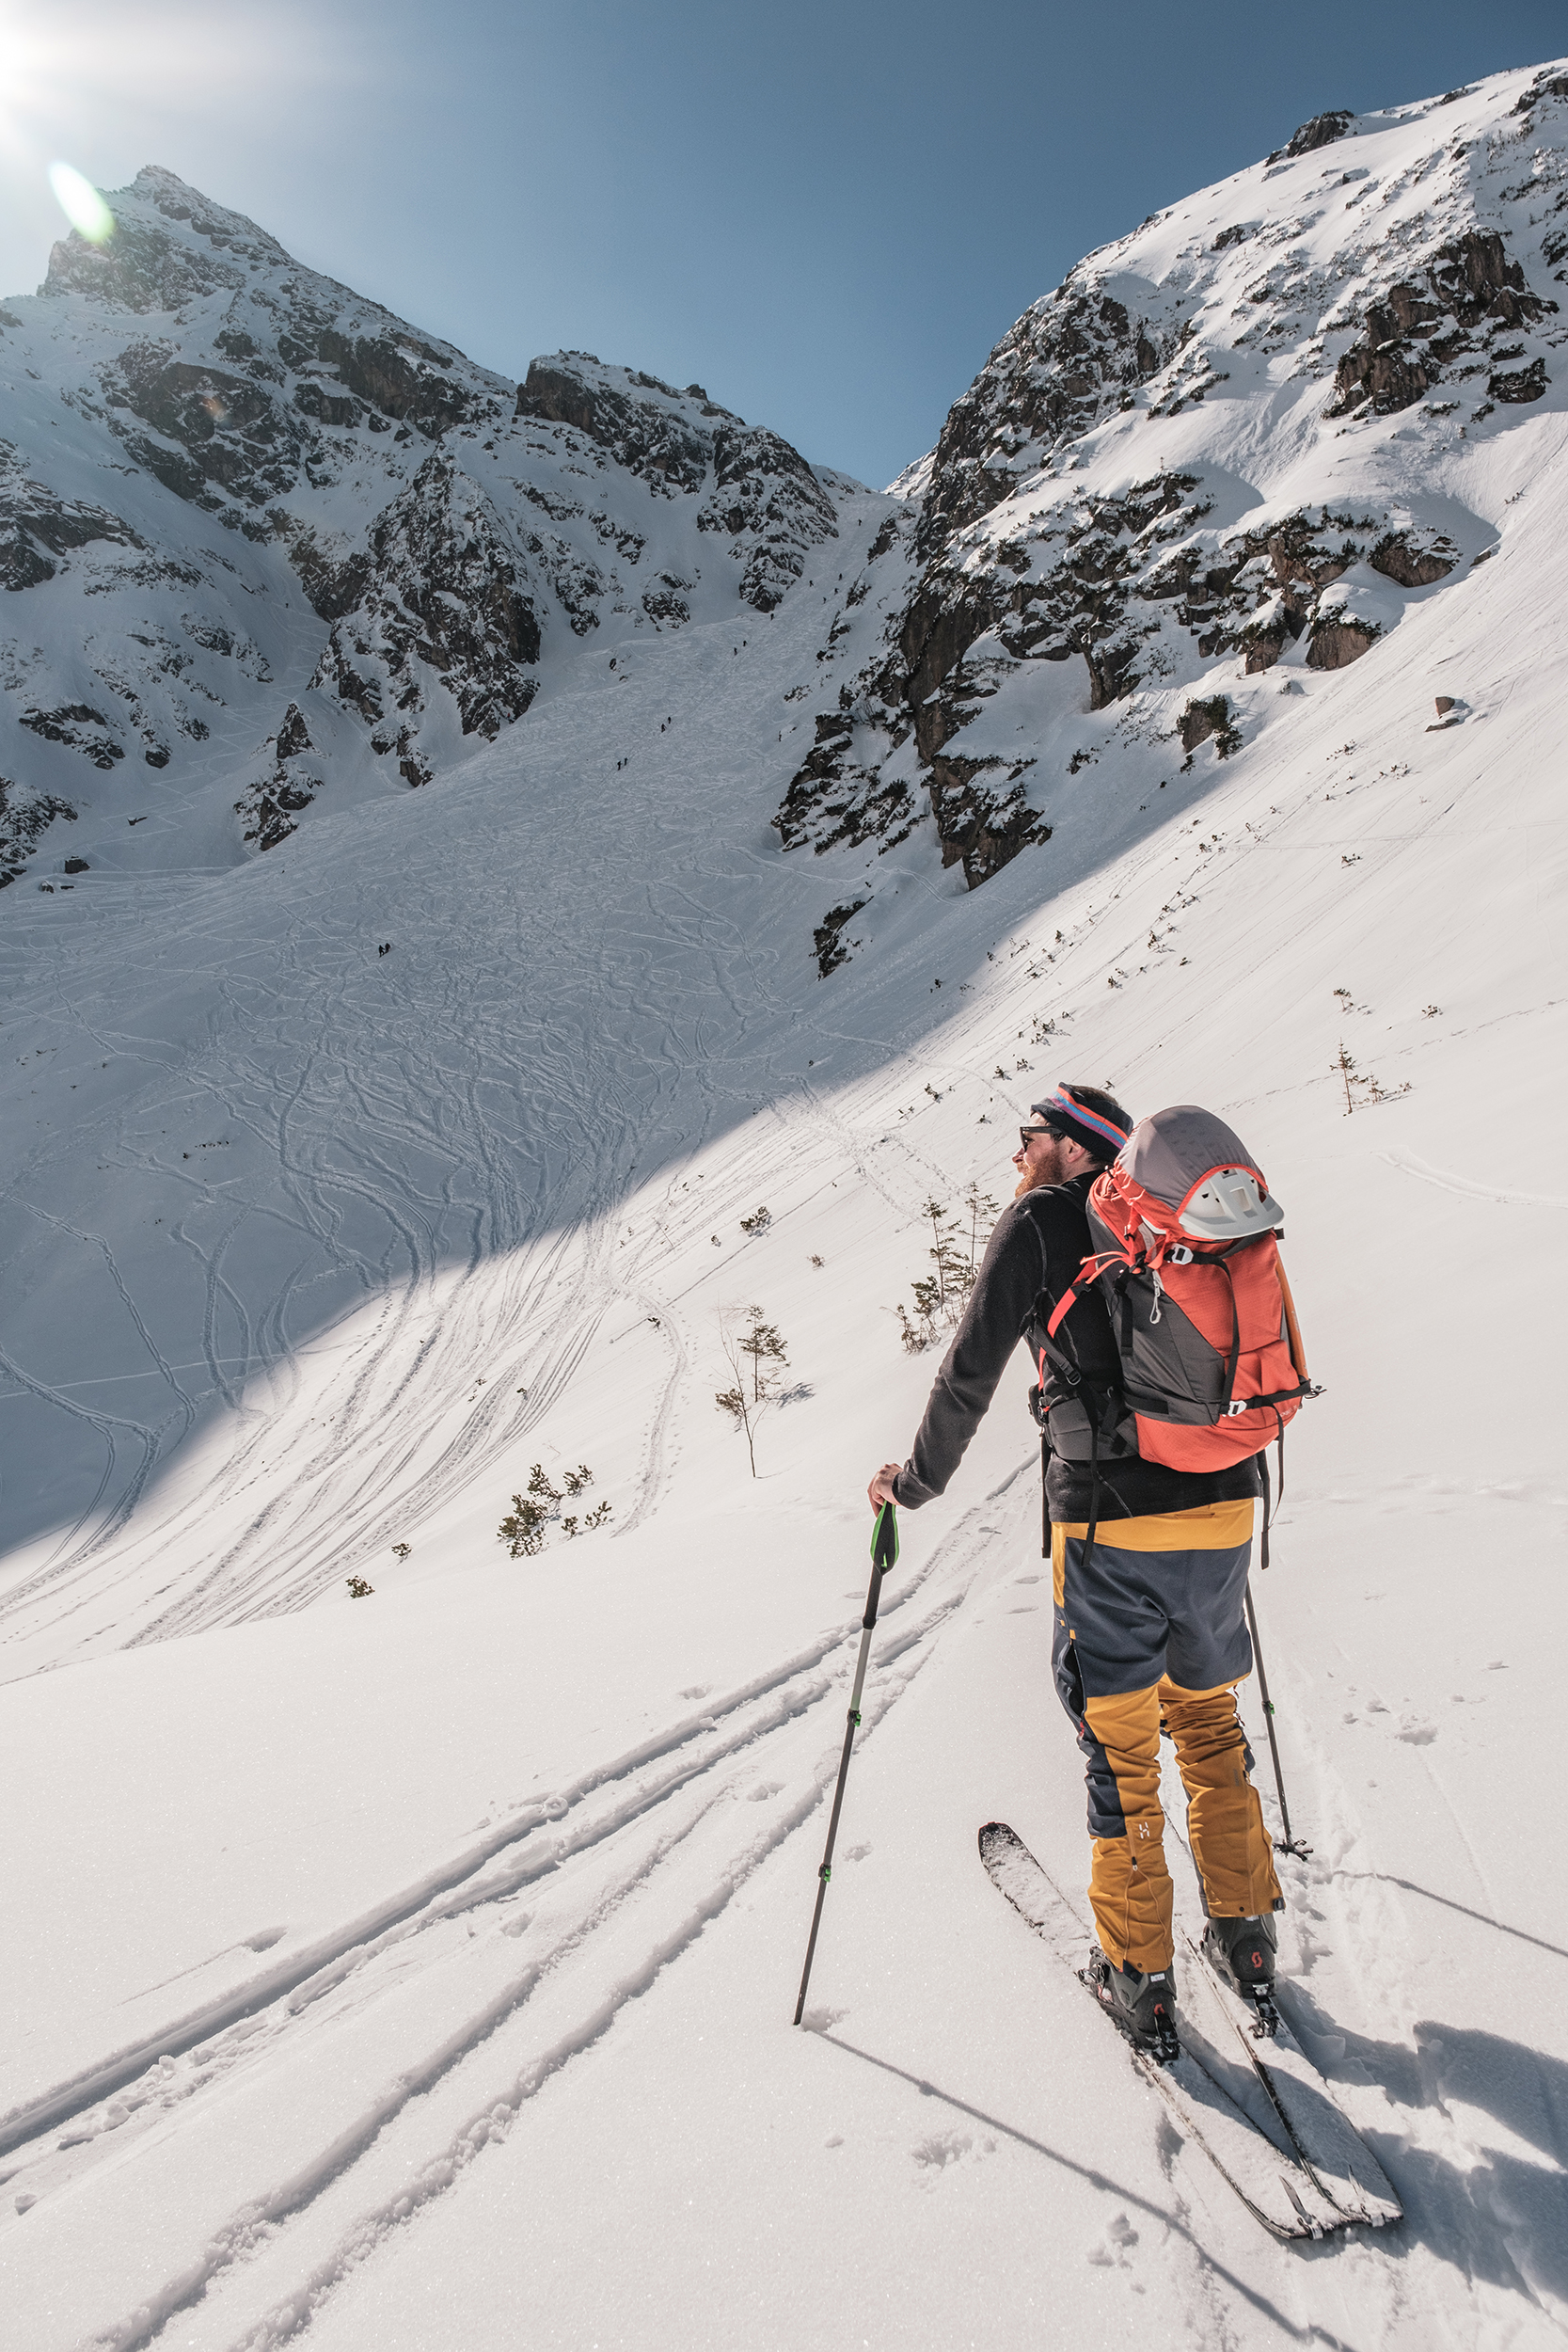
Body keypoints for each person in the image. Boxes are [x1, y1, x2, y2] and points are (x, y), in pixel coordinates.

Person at [868, 1082, 1283, 2052]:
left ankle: (1139, 1977)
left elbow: (968, 1369)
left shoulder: (1044, 1224)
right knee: (1209, 1717)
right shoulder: (1185, 1224)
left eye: (1030, 1136)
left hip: (1108, 1525)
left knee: (1120, 1750)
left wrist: (915, 1482)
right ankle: (1246, 1935)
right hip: (1223, 1503)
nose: (1016, 1152)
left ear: (1072, 1146)